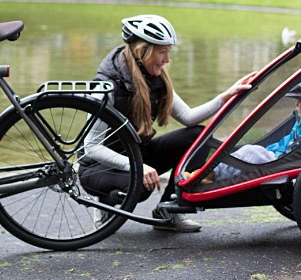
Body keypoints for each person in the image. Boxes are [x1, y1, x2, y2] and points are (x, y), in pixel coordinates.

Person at [78, 14, 254, 232]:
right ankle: (106, 202)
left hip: (136, 154)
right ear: (143, 51)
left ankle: (168, 211)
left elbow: (188, 117)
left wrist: (226, 95)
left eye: (168, 52)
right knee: (140, 188)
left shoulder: (154, 79)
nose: (167, 59)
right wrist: (137, 167)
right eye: (163, 52)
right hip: (98, 168)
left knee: (196, 135)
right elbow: (91, 147)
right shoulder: (106, 87)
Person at [188, 67, 301, 183]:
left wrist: (269, 155)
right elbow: (285, 143)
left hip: (283, 164)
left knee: (251, 152)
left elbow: (297, 152)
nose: (296, 105)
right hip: (278, 157)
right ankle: (206, 173)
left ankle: (207, 176)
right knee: (249, 152)